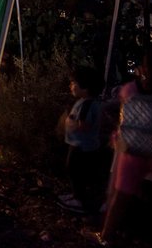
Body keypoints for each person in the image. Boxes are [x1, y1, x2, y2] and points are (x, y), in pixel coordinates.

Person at [86, 42, 152, 247]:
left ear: (145, 67)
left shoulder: (130, 89)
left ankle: (106, 236)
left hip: (132, 150)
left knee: (120, 195)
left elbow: (120, 111)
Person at [57, 67, 108, 215]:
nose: (70, 85)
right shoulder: (86, 102)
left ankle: (79, 200)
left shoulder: (87, 104)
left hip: (81, 146)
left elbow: (84, 125)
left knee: (75, 171)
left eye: (74, 83)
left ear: (85, 87)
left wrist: (69, 120)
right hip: (82, 145)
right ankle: (76, 195)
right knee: (75, 171)